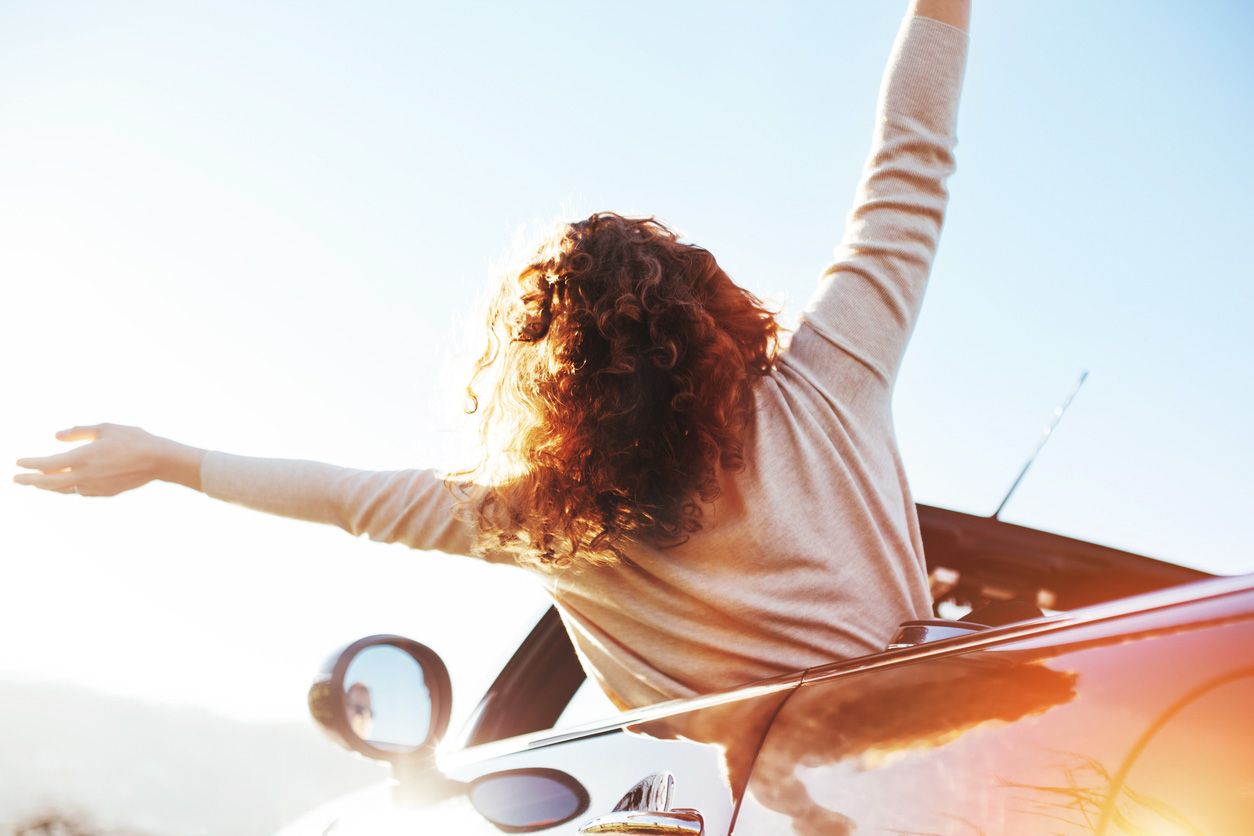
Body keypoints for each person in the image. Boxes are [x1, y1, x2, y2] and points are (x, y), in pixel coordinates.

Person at [16, 0, 971, 712]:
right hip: (939, 766)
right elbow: (908, 165)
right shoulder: (828, 380)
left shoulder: (542, 520)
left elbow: (341, 497)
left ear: (547, 393)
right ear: (709, 312)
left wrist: (167, 461)